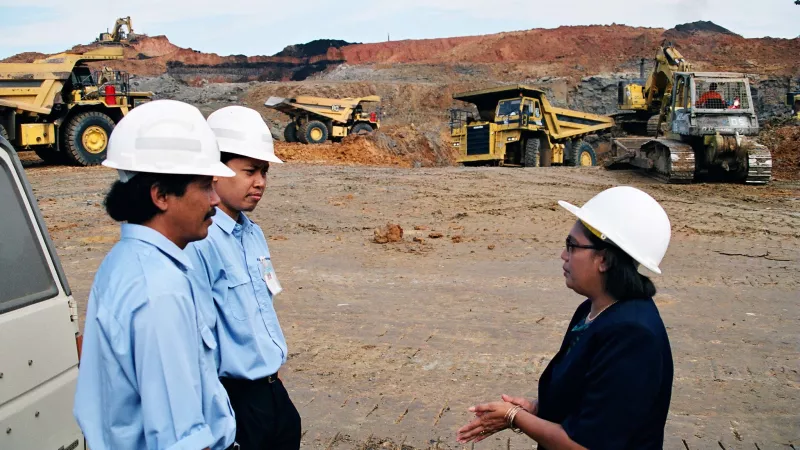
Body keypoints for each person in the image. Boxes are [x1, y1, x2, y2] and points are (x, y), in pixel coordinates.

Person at [73, 99, 239, 450]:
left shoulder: (126, 262)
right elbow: (179, 439)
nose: (215, 200)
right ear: (161, 195)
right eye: (205, 186)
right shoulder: (158, 290)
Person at [457, 186, 674, 450]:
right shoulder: (593, 310)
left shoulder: (632, 336)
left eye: (571, 246)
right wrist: (536, 409)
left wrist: (515, 417)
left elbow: (586, 445)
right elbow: (586, 398)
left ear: (604, 259)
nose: (563, 255)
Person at [186, 106, 301, 450]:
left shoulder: (253, 235)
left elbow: (261, 306)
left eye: (264, 171)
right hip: (235, 401)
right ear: (215, 171)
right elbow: (196, 337)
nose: (260, 182)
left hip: (272, 394)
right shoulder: (199, 242)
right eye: (250, 170)